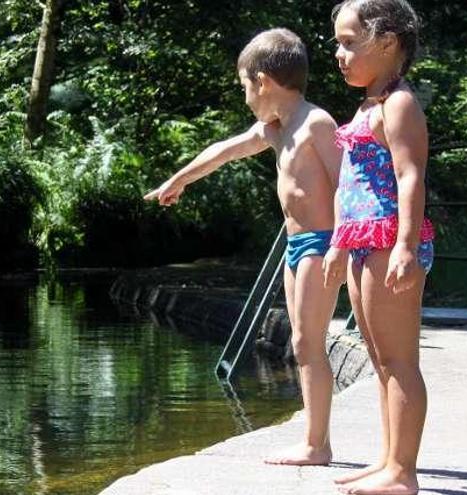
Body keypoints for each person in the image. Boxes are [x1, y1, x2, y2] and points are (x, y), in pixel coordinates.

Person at [144, 28, 345, 466]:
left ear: (264, 81)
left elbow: (348, 185)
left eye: (244, 87)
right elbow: (224, 151)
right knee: (299, 341)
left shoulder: (316, 123)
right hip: (296, 246)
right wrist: (178, 180)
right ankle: (315, 438)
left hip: (321, 242)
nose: (245, 97)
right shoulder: (277, 128)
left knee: (310, 342)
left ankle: (317, 444)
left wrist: (342, 246)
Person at [321, 1, 434, 494]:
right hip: (362, 242)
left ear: (386, 44)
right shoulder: (368, 104)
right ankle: (388, 461)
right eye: (338, 43)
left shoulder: (399, 104)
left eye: (349, 42)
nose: (339, 54)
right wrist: (338, 244)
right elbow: (353, 183)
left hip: (390, 242)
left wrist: (406, 246)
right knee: (379, 359)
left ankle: (403, 473)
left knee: (400, 359)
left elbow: (410, 177)